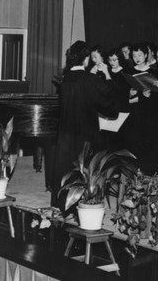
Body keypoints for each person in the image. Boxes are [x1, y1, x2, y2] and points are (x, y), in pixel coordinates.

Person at [50, 41, 118, 208]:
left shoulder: (65, 79)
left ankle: (64, 203)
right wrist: (107, 76)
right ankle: (85, 203)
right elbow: (108, 102)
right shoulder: (89, 79)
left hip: (67, 131)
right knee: (86, 167)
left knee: (66, 165)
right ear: (86, 59)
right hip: (86, 131)